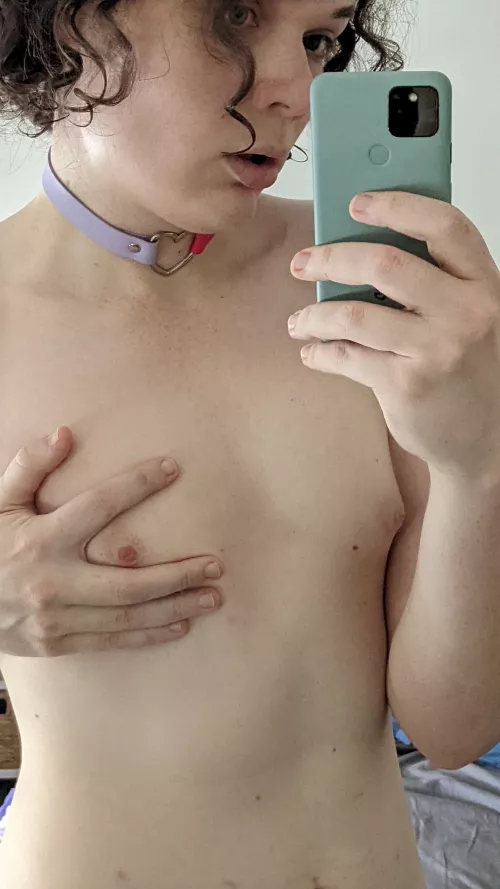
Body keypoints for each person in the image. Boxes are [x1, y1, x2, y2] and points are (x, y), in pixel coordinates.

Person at [0, 1, 499, 887]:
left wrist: (479, 465)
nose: (297, 91)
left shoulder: (385, 291)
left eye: (318, 39)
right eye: (234, 16)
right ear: (69, 24)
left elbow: (454, 730)